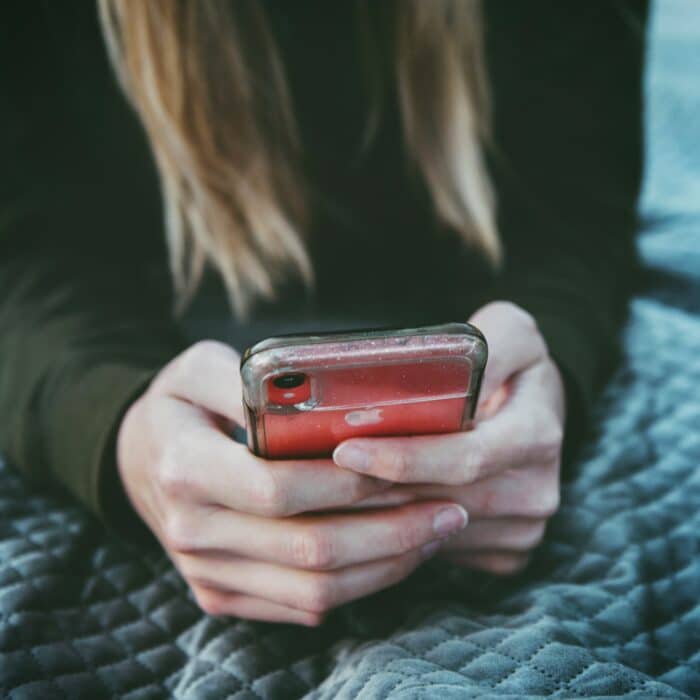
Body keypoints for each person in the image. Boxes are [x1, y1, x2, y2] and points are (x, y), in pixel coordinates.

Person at [0, 0, 647, 626]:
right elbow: (27, 252)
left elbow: (579, 215)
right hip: (144, 306)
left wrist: (550, 377)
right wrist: (121, 433)